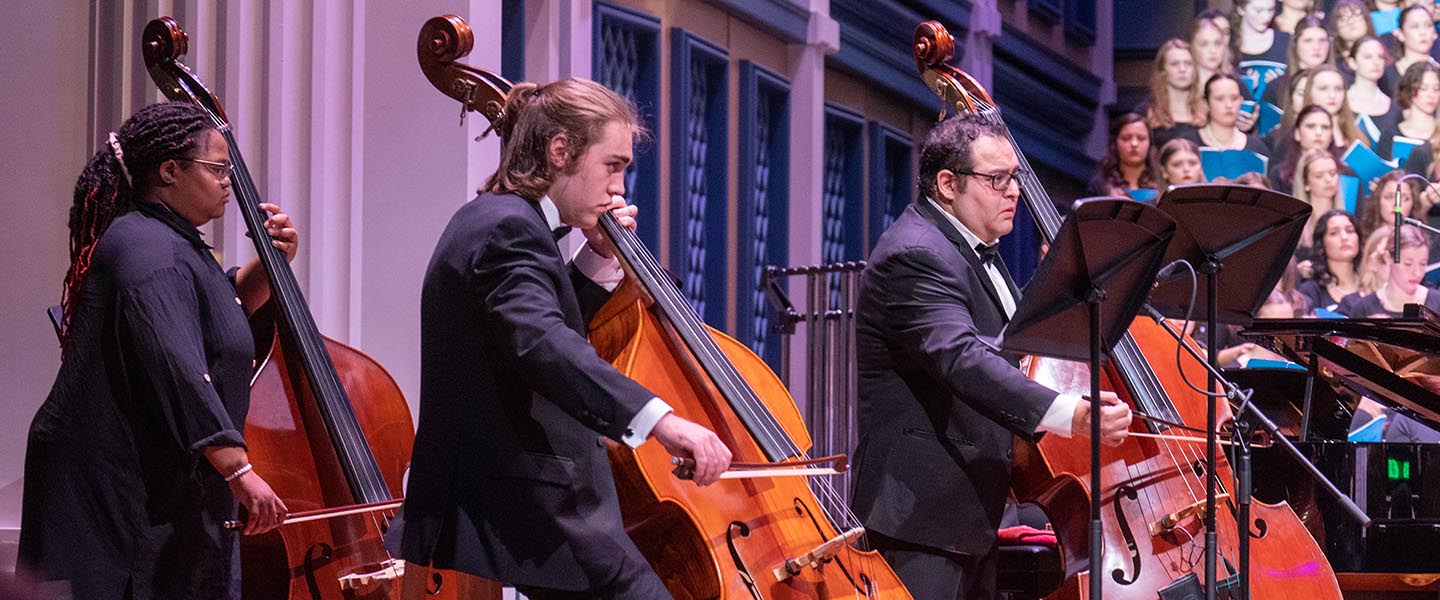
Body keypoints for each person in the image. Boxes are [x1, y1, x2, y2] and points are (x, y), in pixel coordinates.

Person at [390, 77, 732, 599]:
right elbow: (544, 345)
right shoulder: (508, 228)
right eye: (612, 165)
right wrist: (660, 420)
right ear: (560, 151)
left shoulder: (506, 222)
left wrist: (600, 255)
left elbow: (535, 325)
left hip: (532, 499)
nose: (619, 186)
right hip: (527, 502)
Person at [18, 101, 296, 599]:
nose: (228, 181)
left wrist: (270, 265)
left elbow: (223, 310)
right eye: (217, 169)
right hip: (115, 491)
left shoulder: (175, 243)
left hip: (150, 481)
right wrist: (239, 468)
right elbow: (178, 363)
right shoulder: (145, 249)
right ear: (169, 171)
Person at [850, 112, 1132, 600]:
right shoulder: (917, 254)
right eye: (996, 179)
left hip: (969, 513)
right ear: (946, 183)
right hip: (920, 520)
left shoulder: (973, 248)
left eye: (1015, 178)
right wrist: (1070, 414)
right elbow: (960, 357)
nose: (1014, 192)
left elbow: (1012, 346)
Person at [1339, 223, 1440, 315]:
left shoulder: (1437, 302)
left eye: (1422, 264)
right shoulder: (1364, 308)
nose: (1417, 273)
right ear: (1388, 258)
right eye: (1408, 264)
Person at [1298, 209, 1363, 313]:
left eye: (1350, 231)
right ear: (1321, 244)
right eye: (1334, 233)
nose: (1344, 237)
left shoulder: (1372, 283)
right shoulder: (1310, 291)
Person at [1148, 39, 1208, 148]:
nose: (1182, 69)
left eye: (1188, 64)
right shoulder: (1148, 113)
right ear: (1163, 70)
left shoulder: (1208, 113)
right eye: (1175, 64)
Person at [1087, 112, 1157, 197]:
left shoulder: (1161, 185)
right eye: (1126, 138)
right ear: (1115, 143)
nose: (1134, 144)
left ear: (1150, 143)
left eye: (1141, 138)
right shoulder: (1100, 186)